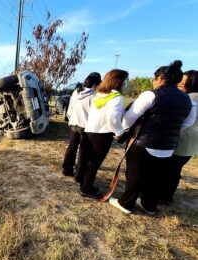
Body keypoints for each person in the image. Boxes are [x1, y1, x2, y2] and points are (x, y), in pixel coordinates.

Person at [110, 60, 196, 215]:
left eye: (154, 79)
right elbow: (188, 122)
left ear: (160, 79)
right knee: (155, 178)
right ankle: (149, 205)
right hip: (168, 147)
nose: (153, 82)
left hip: (143, 143)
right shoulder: (188, 99)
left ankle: (126, 203)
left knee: (134, 175)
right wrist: (172, 129)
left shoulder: (151, 95)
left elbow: (130, 117)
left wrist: (123, 132)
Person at [75, 69, 127, 199]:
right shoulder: (116, 97)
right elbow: (113, 117)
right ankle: (86, 188)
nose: (126, 83)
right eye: (125, 80)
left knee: (87, 159)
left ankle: (83, 181)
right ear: (118, 81)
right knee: (94, 163)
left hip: (90, 130)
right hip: (102, 134)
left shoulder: (99, 94)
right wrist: (119, 132)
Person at [159, 70, 198, 203]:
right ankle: (166, 196)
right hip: (191, 141)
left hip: (182, 138)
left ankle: (163, 196)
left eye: (183, 81)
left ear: (192, 83)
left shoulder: (190, 98)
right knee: (175, 170)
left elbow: (184, 121)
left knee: (170, 170)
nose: (179, 84)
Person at [62, 72, 101, 176]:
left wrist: (71, 118)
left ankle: (66, 168)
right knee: (84, 150)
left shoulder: (76, 92)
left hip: (73, 124)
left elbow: (70, 108)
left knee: (72, 146)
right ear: (94, 85)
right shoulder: (94, 97)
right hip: (85, 127)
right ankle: (79, 172)